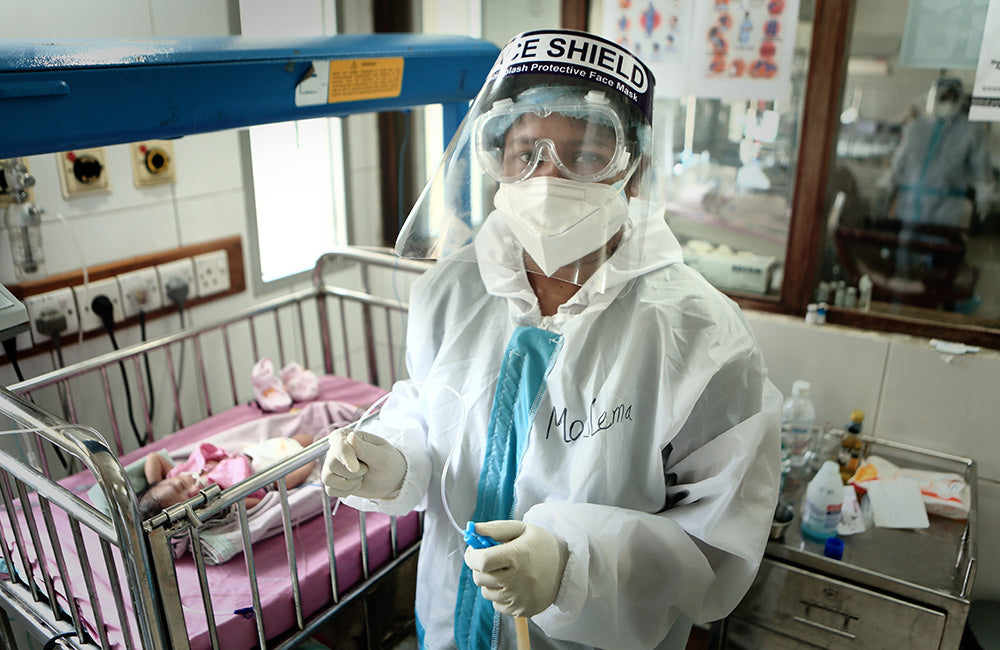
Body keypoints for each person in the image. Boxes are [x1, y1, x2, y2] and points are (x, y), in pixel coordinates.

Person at [323, 29, 781, 650]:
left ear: (634, 171)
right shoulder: (453, 291)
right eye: (524, 151)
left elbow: (715, 544)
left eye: (586, 154)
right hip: (449, 631)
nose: (548, 178)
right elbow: (431, 404)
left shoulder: (699, 335)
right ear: (496, 160)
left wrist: (571, 564)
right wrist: (396, 457)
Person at [881, 77, 993, 229]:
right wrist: (889, 180)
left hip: (946, 204)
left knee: (937, 246)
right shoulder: (917, 127)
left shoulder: (970, 131)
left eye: (953, 98)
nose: (948, 102)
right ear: (936, 98)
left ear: (959, 99)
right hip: (910, 200)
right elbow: (902, 157)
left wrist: (984, 192)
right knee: (906, 247)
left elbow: (980, 164)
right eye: (944, 97)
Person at [139, 432, 316, 519]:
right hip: (264, 478)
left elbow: (153, 458)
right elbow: (258, 502)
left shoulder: (176, 472)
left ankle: (316, 442)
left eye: (180, 486)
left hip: (254, 455)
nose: (193, 490)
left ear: (169, 478)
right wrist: (222, 504)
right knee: (286, 480)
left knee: (300, 440)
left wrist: (154, 484)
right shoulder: (218, 498)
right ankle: (311, 460)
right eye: (189, 501)